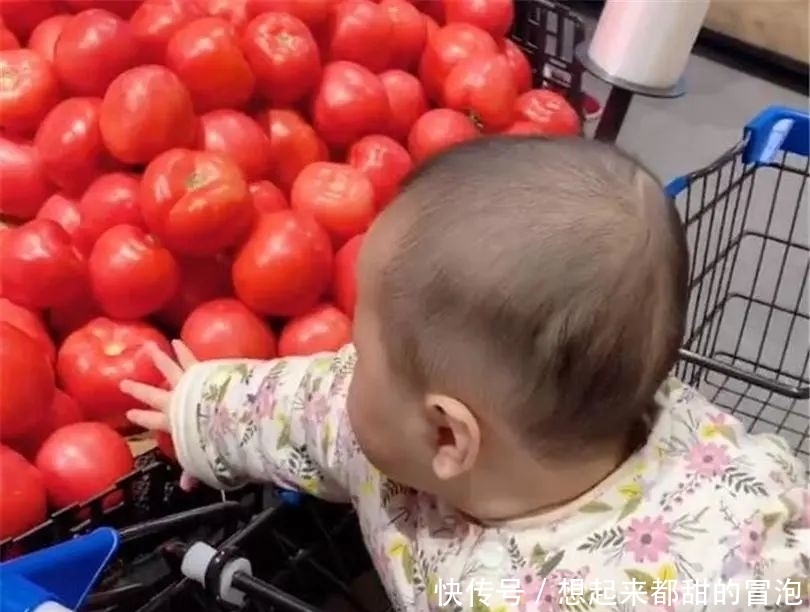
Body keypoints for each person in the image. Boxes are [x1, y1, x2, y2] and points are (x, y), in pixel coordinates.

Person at [122, 137, 809, 612]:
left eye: (362, 355)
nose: (344, 369)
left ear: (448, 435)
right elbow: (302, 405)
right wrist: (197, 409)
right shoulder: (646, 414)